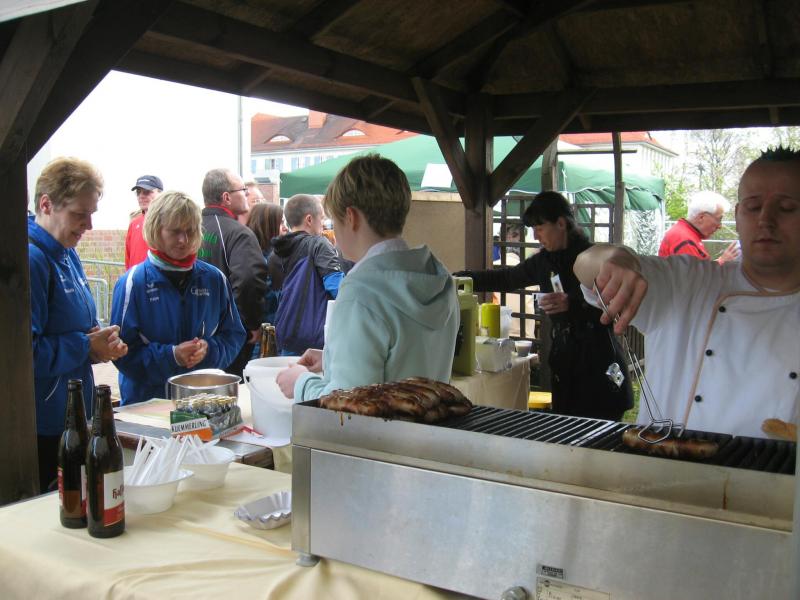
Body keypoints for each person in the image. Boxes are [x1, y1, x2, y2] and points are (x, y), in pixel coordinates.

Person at [574, 147, 800, 438]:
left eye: (787, 208)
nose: (765, 220)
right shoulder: (689, 281)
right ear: (738, 215)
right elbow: (585, 263)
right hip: (660, 462)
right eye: (753, 207)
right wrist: (617, 260)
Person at [276, 154, 459, 401]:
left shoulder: (361, 292)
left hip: (379, 427)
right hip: (431, 421)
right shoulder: (440, 278)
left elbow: (347, 403)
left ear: (351, 217)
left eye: (334, 221)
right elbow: (402, 359)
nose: (333, 232)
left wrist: (300, 383)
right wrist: (332, 357)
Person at [455, 191, 633, 421]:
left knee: (602, 426)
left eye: (540, 228)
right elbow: (506, 278)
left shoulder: (592, 256)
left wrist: (573, 303)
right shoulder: (544, 261)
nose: (536, 236)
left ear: (561, 223)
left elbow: (614, 304)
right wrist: (459, 278)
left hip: (598, 358)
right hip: (564, 361)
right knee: (566, 425)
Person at [28, 157, 128, 491]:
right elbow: (23, 355)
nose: (89, 225)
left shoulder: (67, 252)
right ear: (46, 205)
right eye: (79, 214)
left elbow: (77, 327)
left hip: (74, 413)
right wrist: (85, 346)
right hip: (44, 425)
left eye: (92, 213)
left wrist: (101, 344)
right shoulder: (32, 260)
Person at [111, 191, 246, 404]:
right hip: (147, 406)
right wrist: (172, 356)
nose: (183, 240)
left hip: (201, 402)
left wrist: (208, 351)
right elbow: (121, 353)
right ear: (156, 229)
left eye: (190, 231)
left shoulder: (214, 279)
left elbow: (234, 336)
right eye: (175, 231)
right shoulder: (132, 283)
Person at [198, 168, 268, 377]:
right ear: (226, 197)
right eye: (243, 190)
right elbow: (248, 281)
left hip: (193, 334)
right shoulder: (239, 234)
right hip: (226, 336)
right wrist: (250, 324)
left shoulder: (188, 230)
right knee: (227, 387)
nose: (247, 194)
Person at [268, 194, 343, 355]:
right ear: (309, 219)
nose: (323, 224)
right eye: (321, 218)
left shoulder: (275, 253)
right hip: (316, 342)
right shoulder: (319, 244)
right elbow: (337, 289)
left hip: (285, 336)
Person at [658, 190, 740, 263]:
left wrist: (721, 261)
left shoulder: (686, 234)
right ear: (701, 217)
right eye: (719, 219)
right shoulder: (685, 241)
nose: (720, 226)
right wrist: (722, 262)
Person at [246, 202, 285, 355]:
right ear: (268, 225)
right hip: (262, 331)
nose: (285, 227)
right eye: (280, 223)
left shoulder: (255, 252)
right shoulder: (262, 258)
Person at [125, 174, 163, 269]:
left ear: (160, 194)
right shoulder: (134, 224)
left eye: (147, 192)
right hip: (136, 277)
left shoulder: (169, 222)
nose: (141, 196)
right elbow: (128, 259)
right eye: (138, 192)